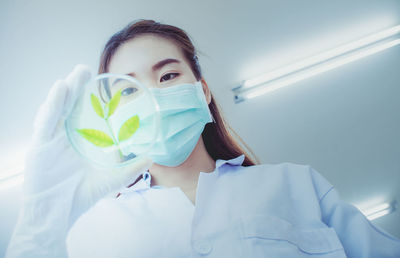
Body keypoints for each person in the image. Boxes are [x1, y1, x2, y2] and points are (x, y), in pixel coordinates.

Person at [5, 19, 400, 258]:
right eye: (129, 91)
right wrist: (40, 227)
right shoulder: (90, 228)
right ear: (112, 116)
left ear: (203, 90)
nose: (154, 98)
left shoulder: (296, 185)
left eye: (168, 76)